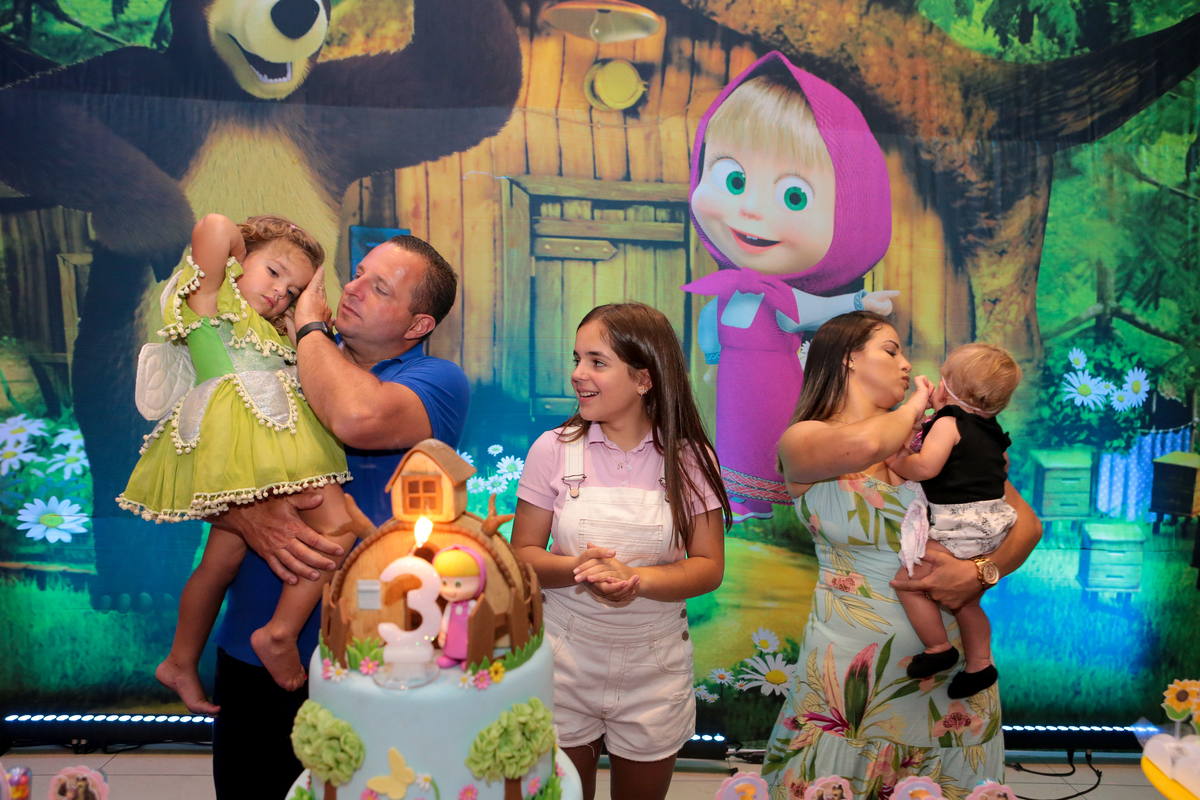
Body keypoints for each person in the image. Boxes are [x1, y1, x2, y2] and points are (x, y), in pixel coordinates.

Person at [207, 235, 471, 800]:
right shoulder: (274, 360)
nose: (352, 289)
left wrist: (308, 329)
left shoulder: (438, 380)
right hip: (253, 647)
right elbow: (207, 453)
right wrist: (246, 514)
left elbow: (355, 416)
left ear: (419, 325)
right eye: (357, 274)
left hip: (375, 654)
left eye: (380, 289)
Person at [765, 311, 1042, 798]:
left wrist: (980, 572)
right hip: (850, 683)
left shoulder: (938, 440)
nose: (907, 363)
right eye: (891, 350)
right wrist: (918, 404)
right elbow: (870, 441)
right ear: (848, 358)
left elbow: (1028, 526)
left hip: (952, 688)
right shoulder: (805, 439)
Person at [118, 213, 361, 711]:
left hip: (260, 449)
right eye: (272, 272)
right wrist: (246, 248)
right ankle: (279, 632)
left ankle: (180, 659)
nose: (279, 293)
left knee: (220, 562)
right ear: (237, 261)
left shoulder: (272, 332)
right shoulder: (211, 305)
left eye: (292, 291)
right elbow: (213, 225)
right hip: (252, 442)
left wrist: (300, 316)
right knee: (338, 524)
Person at [512, 303, 732, 800]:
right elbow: (522, 555)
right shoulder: (551, 448)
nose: (578, 373)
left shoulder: (691, 458)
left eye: (597, 361)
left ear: (644, 378)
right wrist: (579, 568)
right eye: (577, 359)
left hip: (655, 667)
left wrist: (636, 580)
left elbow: (708, 567)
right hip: (563, 658)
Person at [683, 50, 899, 521]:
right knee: (734, 439)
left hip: (779, 385)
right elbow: (710, 325)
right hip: (733, 385)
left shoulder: (781, 300)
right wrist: (714, 364)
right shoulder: (727, 289)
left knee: (774, 438)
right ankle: (740, 498)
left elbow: (811, 311)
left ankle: (778, 500)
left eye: (794, 196)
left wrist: (861, 301)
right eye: (733, 179)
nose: (751, 210)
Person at [889, 343, 1023, 699]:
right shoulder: (993, 429)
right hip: (993, 526)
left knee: (909, 578)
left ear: (947, 389)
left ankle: (939, 648)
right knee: (967, 602)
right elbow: (1003, 466)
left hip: (960, 525)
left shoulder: (948, 422)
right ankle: (981, 664)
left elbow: (926, 467)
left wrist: (897, 460)